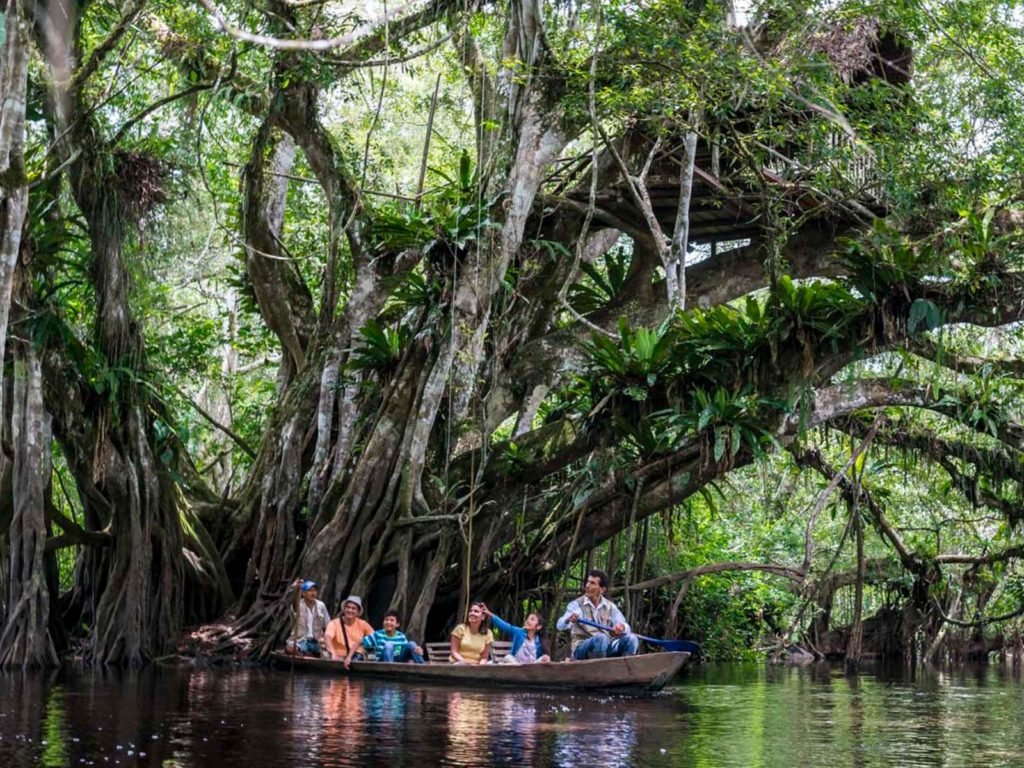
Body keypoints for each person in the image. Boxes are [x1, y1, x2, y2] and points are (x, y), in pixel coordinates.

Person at [556, 569, 639, 660]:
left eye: (592, 583)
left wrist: (622, 627)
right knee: (601, 638)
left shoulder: (610, 607)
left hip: (605, 647)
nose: (587, 586)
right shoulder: (577, 605)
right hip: (581, 649)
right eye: (587, 582)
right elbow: (560, 625)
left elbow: (626, 628)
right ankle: (600, 671)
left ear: (602, 589)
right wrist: (568, 619)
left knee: (632, 639)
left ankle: (626, 670)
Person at [481, 605, 550, 664]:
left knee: (546, 658)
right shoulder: (518, 632)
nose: (528, 621)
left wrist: (545, 658)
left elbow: (541, 660)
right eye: (527, 619)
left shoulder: (540, 640)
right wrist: (489, 614)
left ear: (538, 626)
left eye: (532, 619)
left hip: (531, 668)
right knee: (508, 657)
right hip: (516, 665)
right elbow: (504, 625)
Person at [324, 595, 375, 668]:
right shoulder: (334, 623)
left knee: (370, 648)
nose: (350, 610)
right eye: (348, 607)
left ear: (358, 612)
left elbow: (374, 637)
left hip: (357, 656)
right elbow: (327, 637)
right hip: (339, 657)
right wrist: (333, 653)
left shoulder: (363, 624)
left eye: (353, 608)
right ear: (344, 609)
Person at [285, 579, 331, 657]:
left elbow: (328, 625)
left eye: (315, 591)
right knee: (290, 648)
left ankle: (309, 654)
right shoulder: (298, 604)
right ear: (303, 593)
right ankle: (305, 653)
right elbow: (294, 605)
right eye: (310, 591)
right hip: (301, 640)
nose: (313, 593)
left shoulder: (321, 605)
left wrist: (325, 640)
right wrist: (297, 590)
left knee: (327, 655)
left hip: (317, 641)